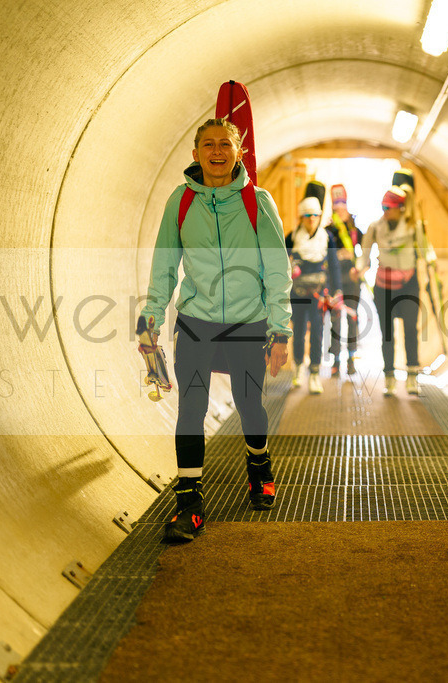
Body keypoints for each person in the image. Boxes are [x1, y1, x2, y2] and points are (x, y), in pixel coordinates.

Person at [139, 117, 292, 543]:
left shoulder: (257, 202)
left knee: (249, 405)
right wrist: (150, 321)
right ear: (196, 154)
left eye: (225, 143)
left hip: (247, 321)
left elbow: (277, 271)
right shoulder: (181, 201)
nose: (217, 151)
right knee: (191, 408)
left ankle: (258, 464)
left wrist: (280, 331)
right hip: (196, 321)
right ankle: (189, 505)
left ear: (239, 151)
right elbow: (165, 265)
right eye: (208, 144)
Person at [354, 186, 429, 396]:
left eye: (390, 207)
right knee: (387, 333)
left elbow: (424, 250)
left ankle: (412, 376)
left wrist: (430, 261)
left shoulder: (413, 226)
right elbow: (364, 254)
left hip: (408, 285)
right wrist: (359, 268)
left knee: (410, 331)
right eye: (383, 207)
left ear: (401, 208)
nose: (385, 211)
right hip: (384, 287)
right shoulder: (376, 227)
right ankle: (389, 377)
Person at [290, 196, 342, 394]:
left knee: (318, 332)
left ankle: (314, 373)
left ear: (320, 216)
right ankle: (297, 368)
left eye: (315, 215)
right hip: (297, 292)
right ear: (301, 217)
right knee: (299, 331)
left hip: (319, 294)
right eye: (307, 215)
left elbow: (334, 265)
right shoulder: (292, 237)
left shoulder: (327, 238)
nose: (311, 219)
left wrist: (337, 291)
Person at [326, 184, 364, 377]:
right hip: (334, 280)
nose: (340, 208)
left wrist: (361, 269)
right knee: (335, 321)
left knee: (352, 318)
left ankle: (351, 358)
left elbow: (366, 250)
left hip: (352, 279)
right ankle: (336, 360)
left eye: (342, 204)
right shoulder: (328, 229)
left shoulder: (354, 228)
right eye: (336, 204)